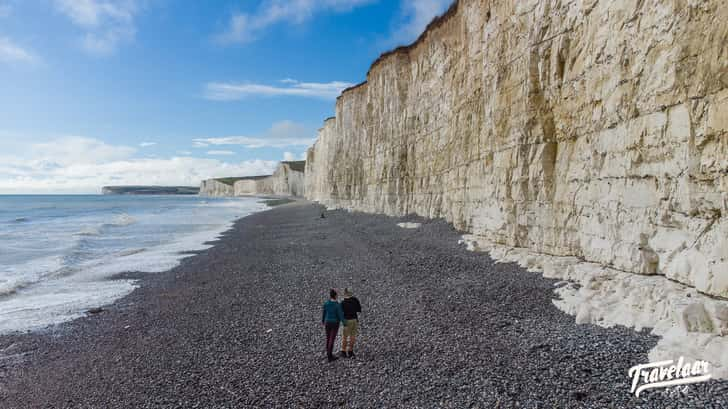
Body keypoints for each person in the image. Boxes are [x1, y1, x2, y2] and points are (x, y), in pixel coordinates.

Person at [321, 289, 346, 362]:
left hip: (327, 322)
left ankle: (328, 354)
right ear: (335, 296)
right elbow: (340, 315)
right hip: (335, 323)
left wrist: (323, 320)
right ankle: (330, 356)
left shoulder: (326, 303)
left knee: (328, 338)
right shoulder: (337, 305)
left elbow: (324, 313)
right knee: (332, 339)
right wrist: (345, 323)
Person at [340, 288, 362, 358]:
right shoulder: (355, 300)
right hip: (355, 320)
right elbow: (359, 309)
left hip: (347, 320)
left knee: (345, 337)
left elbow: (340, 312)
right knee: (353, 336)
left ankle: (343, 351)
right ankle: (350, 351)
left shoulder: (343, 303)